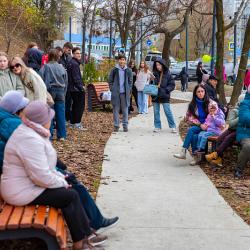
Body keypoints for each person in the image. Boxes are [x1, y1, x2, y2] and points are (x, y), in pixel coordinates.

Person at [0, 91, 119, 235]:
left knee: (70, 187)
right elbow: (36, 164)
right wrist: (61, 175)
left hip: (22, 179)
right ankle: (93, 225)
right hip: (22, 184)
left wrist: (59, 172)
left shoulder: (12, 122)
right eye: (24, 106)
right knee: (72, 189)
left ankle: (89, 228)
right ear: (18, 110)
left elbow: (35, 159)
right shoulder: (16, 126)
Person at [174, 85, 210, 165]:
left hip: (210, 126)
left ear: (205, 92)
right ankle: (195, 157)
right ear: (195, 93)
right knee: (194, 135)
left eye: (202, 91)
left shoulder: (210, 103)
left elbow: (213, 116)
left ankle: (184, 151)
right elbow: (189, 117)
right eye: (198, 92)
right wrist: (200, 124)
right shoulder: (192, 104)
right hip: (199, 126)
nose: (200, 93)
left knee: (192, 130)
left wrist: (205, 125)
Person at [205, 94, 245, 166]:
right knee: (220, 138)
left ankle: (215, 154)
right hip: (232, 129)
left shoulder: (247, 111)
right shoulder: (235, 111)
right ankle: (218, 159)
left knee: (228, 138)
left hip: (241, 131)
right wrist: (239, 118)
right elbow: (230, 123)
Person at [40, 49, 68, 140]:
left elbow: (40, 79)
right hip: (60, 91)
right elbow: (66, 81)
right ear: (57, 57)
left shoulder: (46, 67)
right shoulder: (62, 67)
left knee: (50, 114)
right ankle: (62, 135)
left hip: (50, 91)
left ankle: (50, 135)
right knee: (61, 114)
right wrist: (64, 92)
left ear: (49, 56)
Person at [108, 54, 133, 132]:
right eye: (120, 59)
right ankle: (116, 125)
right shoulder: (114, 70)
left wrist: (128, 89)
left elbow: (130, 81)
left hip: (124, 93)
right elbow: (110, 80)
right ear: (118, 60)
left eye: (123, 59)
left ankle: (125, 125)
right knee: (116, 109)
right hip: (116, 93)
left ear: (125, 61)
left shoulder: (128, 70)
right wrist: (112, 89)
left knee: (125, 110)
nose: (122, 61)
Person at [151, 58, 176, 133]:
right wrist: (151, 81)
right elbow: (151, 84)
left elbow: (172, 84)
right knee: (156, 112)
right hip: (156, 95)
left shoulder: (168, 73)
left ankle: (173, 126)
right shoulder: (154, 74)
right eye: (156, 65)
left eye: (159, 65)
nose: (158, 66)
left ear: (162, 65)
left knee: (167, 111)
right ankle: (157, 126)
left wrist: (167, 90)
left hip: (165, 95)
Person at [67, 47, 86, 130]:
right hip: (76, 89)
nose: (79, 55)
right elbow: (76, 78)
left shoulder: (72, 62)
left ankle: (73, 123)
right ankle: (77, 124)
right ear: (73, 54)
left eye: (79, 53)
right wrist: (81, 88)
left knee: (75, 106)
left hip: (73, 88)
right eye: (77, 53)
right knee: (79, 106)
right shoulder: (74, 64)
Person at [234, 88, 250, 178]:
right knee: (248, 146)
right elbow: (245, 119)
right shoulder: (245, 103)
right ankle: (239, 169)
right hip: (245, 133)